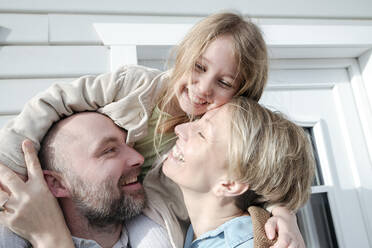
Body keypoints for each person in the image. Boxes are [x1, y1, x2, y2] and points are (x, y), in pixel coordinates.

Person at [0, 11, 305, 246]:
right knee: (10, 224)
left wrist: (283, 213)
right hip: (85, 191)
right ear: (185, 54)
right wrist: (8, 163)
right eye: (199, 67)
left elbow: (257, 169)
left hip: (150, 211)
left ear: (241, 93)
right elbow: (56, 100)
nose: (203, 87)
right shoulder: (136, 84)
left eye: (224, 82)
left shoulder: (216, 136)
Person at [0, 112, 173, 248]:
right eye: (109, 150)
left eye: (129, 145)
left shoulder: (177, 234)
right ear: (57, 183)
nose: (138, 158)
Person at [162, 97, 315, 247]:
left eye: (202, 134)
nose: (180, 129)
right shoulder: (194, 232)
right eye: (198, 120)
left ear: (229, 184)